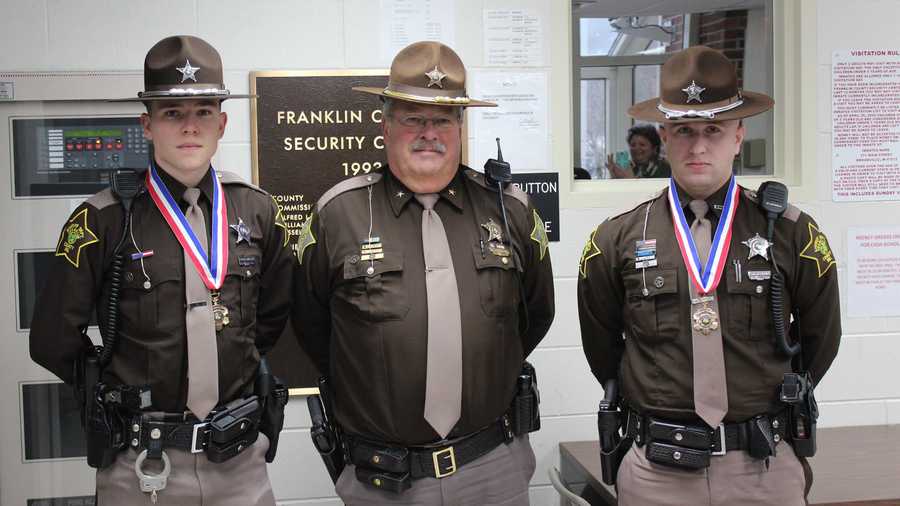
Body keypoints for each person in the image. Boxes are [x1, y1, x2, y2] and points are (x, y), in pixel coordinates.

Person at [29, 35, 294, 505]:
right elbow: (52, 338)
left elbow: (270, 319)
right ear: (147, 125)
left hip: (239, 463)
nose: (190, 127)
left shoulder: (256, 212)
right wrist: (111, 393)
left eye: (203, 112)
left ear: (222, 123)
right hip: (141, 464)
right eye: (173, 114)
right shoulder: (102, 220)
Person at [293, 41, 555, 505]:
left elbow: (534, 316)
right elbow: (312, 327)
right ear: (386, 124)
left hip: (492, 467)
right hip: (384, 478)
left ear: (460, 125)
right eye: (413, 117)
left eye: (442, 119)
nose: (427, 132)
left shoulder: (510, 209)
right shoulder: (338, 215)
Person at [578, 45, 841, 505]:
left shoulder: (791, 232)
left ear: (739, 135)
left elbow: (822, 340)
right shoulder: (616, 238)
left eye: (714, 130)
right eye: (683, 131)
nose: (698, 146)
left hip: (762, 467)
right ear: (664, 135)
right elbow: (603, 349)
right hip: (658, 470)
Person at [607, 124, 671, 179]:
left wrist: (630, 179)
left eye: (642, 145)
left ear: (654, 148)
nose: (636, 148)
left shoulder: (665, 168)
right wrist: (614, 177)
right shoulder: (629, 167)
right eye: (633, 145)